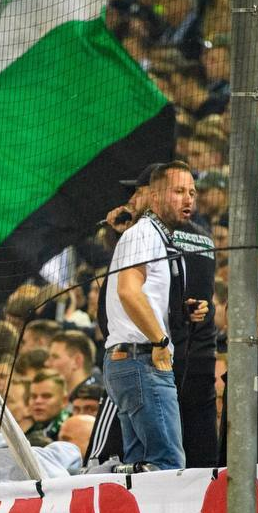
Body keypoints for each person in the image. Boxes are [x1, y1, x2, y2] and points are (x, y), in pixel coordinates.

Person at [102, 161, 206, 470]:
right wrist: (160, 341)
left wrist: (178, 310)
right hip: (142, 359)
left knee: (141, 468)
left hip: (131, 360)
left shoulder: (152, 235)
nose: (188, 199)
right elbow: (128, 292)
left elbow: (139, 293)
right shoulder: (144, 234)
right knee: (168, 466)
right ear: (155, 196)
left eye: (192, 192)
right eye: (178, 191)